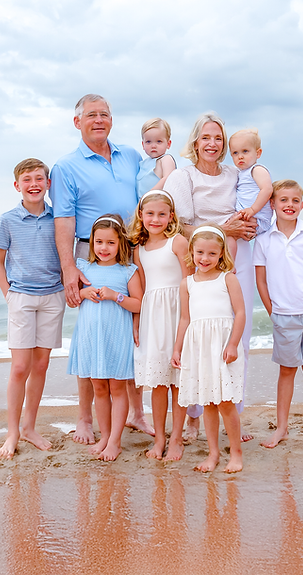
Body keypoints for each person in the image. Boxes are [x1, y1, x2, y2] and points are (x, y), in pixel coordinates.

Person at [50, 94, 153, 443]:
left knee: (130, 332)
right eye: (91, 115)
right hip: (90, 254)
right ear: (77, 121)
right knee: (92, 336)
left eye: (105, 114)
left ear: (112, 120)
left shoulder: (132, 156)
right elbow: (63, 219)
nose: (99, 120)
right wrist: (68, 269)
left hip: (131, 252)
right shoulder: (66, 166)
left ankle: (137, 414)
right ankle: (84, 419)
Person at [163, 113, 256, 442]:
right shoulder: (182, 177)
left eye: (218, 138)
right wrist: (223, 229)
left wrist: (250, 223)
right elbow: (179, 225)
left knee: (235, 335)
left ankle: (234, 413)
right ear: (195, 142)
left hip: (235, 259)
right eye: (206, 138)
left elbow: (251, 204)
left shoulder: (234, 174)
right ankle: (193, 415)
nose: (213, 144)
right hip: (199, 263)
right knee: (198, 336)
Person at [0, 158, 65, 459]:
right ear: (17, 185)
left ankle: (30, 427)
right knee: (20, 367)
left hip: (52, 297)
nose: (33, 184)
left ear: (48, 183)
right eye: (27, 179)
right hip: (21, 297)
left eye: (39, 178)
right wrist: (9, 295)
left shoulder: (59, 218)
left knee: (42, 365)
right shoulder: (7, 220)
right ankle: (12, 432)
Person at [254, 180, 303, 451]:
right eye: (283, 200)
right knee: (287, 370)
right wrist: (272, 311)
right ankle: (282, 429)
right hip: (284, 316)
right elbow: (261, 281)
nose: (289, 205)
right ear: (272, 204)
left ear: (302, 204)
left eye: (295, 200)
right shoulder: (264, 240)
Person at [66, 214, 142, 461]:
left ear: (120, 243)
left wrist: (115, 296)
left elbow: (139, 304)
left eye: (110, 242)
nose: (104, 248)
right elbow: (72, 300)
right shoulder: (84, 268)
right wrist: (83, 292)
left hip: (116, 337)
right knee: (98, 387)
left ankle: (115, 442)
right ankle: (105, 436)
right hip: (91, 337)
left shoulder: (128, 271)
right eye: (99, 242)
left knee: (117, 387)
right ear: (92, 243)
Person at [170, 226, 246, 473]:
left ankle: (236, 453)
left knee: (225, 402)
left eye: (212, 253)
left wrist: (233, 343)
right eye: (200, 252)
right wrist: (177, 349)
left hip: (223, 346)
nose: (204, 258)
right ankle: (213, 454)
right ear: (191, 252)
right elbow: (185, 319)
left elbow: (241, 313)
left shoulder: (228, 278)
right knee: (208, 403)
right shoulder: (187, 283)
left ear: (222, 254)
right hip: (199, 347)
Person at [128, 189, 191, 461]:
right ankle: (160, 438)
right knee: (158, 382)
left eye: (161, 214)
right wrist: (137, 318)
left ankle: (177, 438)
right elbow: (140, 288)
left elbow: (190, 281)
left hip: (177, 312)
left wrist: (191, 318)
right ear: (141, 216)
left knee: (177, 380)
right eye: (150, 214)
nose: (155, 219)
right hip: (152, 316)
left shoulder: (177, 242)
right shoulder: (138, 250)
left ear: (171, 217)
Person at [229, 128, 274, 236]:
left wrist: (252, 209)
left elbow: (267, 189)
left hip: (257, 218)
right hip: (248, 217)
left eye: (245, 151)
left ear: (258, 153)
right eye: (235, 153)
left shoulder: (257, 169)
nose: (240, 156)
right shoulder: (241, 172)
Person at [136, 118, 177, 199]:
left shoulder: (165, 159)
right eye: (148, 142)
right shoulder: (142, 164)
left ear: (168, 144)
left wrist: (150, 194)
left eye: (158, 141)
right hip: (143, 206)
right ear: (143, 144)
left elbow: (168, 179)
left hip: (157, 203)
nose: (153, 145)